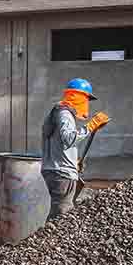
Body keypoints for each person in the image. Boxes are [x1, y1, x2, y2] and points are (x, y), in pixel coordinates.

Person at [41, 78, 109, 221]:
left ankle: (46, 240)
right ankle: (50, 242)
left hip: (56, 169)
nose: (86, 104)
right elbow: (69, 139)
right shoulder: (64, 113)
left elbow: (59, 143)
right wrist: (91, 126)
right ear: (79, 96)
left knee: (58, 213)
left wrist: (73, 160)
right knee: (61, 216)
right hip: (62, 174)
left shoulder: (57, 113)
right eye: (86, 99)